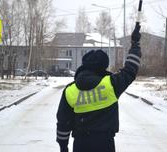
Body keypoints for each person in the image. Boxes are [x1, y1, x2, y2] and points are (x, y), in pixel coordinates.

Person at [56, 23, 141, 152]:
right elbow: (130, 70)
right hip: (105, 144)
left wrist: (63, 147)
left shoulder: (70, 91)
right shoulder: (111, 85)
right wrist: (135, 44)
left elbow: (63, 122)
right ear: (103, 67)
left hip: (80, 144)